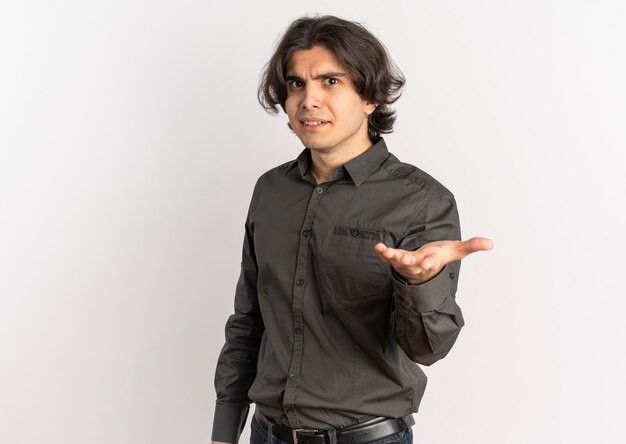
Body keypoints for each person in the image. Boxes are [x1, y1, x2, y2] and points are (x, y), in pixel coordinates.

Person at [211, 15, 493, 444]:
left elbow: (427, 349)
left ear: (369, 97)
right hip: (266, 434)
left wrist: (421, 281)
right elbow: (249, 321)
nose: (308, 100)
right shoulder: (270, 190)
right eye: (296, 84)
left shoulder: (421, 201)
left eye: (330, 82)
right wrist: (223, 430)